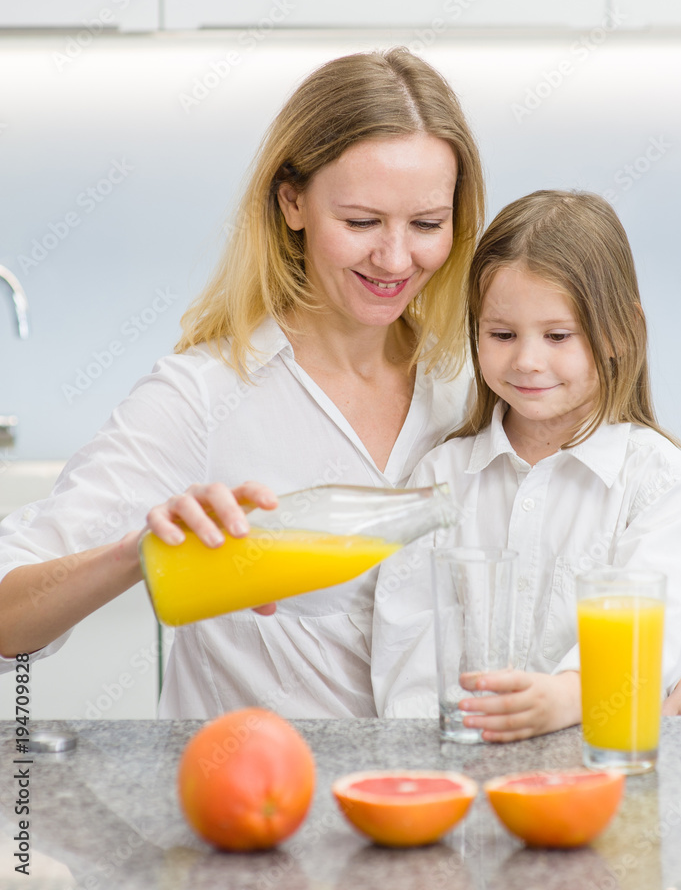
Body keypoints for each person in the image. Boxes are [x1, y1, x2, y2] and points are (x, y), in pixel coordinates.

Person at [0, 47, 485, 719]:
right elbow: (7, 618)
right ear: (292, 201)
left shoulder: (474, 390)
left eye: (427, 224)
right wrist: (134, 554)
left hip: (434, 806)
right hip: (252, 811)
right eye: (361, 222)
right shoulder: (201, 397)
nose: (396, 257)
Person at [371, 190, 681, 740]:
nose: (527, 361)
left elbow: (653, 635)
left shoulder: (661, 485)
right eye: (502, 334)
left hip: (598, 786)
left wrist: (568, 697)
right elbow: (408, 654)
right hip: (469, 772)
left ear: (617, 332)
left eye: (558, 336)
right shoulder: (440, 479)